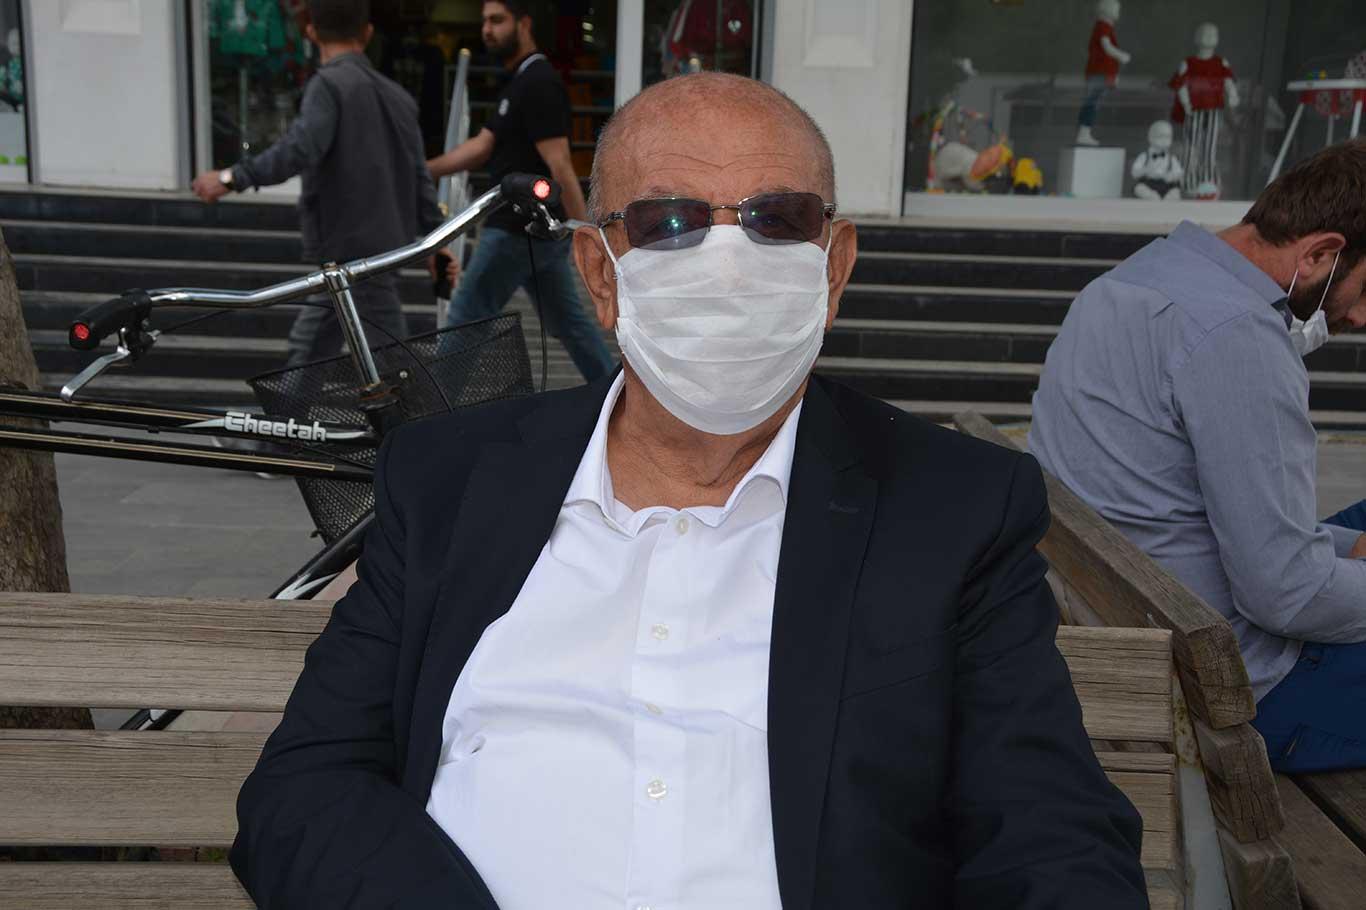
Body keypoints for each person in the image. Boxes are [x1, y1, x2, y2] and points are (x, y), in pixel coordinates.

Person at [229, 72, 1145, 909]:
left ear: (834, 268)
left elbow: (1051, 835)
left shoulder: (955, 509)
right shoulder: (449, 480)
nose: (729, 261)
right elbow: (307, 787)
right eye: (670, 221)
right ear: (599, 274)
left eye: (777, 219)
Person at [1029, 139, 1366, 774]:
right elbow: (1286, 594)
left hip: (1152, 610)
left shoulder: (1130, 279)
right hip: (1244, 687)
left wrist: (1347, 549)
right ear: (1321, 254)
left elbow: (1184, 506)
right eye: (1364, 288)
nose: (1360, 315)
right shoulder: (1238, 336)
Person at [192, 0, 443, 367]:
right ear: (367, 33)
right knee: (317, 348)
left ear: (311, 32)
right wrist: (437, 240)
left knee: (382, 357)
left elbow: (300, 148)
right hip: (373, 249)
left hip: (350, 249)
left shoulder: (328, 85)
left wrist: (232, 178)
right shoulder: (399, 97)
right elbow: (419, 176)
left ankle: (408, 403)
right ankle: (379, 400)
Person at [427, 0, 614, 383]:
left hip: (516, 228)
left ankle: (430, 409)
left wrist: (586, 231)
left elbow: (559, 163)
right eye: (484, 21)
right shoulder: (518, 81)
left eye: (497, 20)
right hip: (534, 233)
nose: (487, 30)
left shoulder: (538, 82)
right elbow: (482, 145)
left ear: (524, 24)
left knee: (466, 317)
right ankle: (616, 394)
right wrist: (423, 170)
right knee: (570, 325)